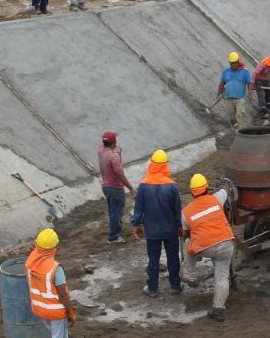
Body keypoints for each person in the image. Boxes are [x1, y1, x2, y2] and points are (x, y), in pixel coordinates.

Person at [181, 174, 235, 322]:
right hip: (226, 243)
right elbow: (226, 187)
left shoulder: (186, 211)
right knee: (222, 277)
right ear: (206, 188)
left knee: (187, 244)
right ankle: (219, 309)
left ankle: (190, 276)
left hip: (205, 246)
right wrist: (221, 185)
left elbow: (185, 234)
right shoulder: (217, 198)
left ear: (192, 192)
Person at [25, 228, 78, 338]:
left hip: (40, 308)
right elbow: (62, 293)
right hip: (55, 311)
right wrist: (70, 311)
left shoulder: (30, 262)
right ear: (54, 248)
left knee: (60, 335)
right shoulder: (55, 268)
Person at [131, 149, 183, 296]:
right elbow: (177, 209)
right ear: (165, 165)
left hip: (152, 230)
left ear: (151, 165)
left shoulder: (143, 186)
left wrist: (136, 224)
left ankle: (152, 288)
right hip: (170, 230)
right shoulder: (172, 186)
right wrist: (179, 226)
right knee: (173, 258)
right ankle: (175, 286)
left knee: (153, 259)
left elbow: (138, 209)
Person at [98, 131, 136, 243]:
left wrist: (116, 151)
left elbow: (110, 149)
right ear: (114, 142)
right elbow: (119, 174)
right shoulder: (114, 157)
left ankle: (114, 233)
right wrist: (130, 187)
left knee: (112, 211)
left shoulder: (100, 151)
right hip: (115, 187)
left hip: (105, 186)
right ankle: (113, 237)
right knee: (116, 213)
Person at [217, 52, 254, 127]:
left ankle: (242, 131)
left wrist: (250, 94)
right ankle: (234, 129)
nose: (232, 65)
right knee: (232, 117)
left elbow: (250, 83)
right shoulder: (226, 72)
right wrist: (218, 93)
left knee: (240, 115)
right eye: (231, 63)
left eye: (234, 63)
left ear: (238, 62)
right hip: (229, 98)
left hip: (240, 98)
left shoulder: (245, 72)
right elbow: (222, 83)